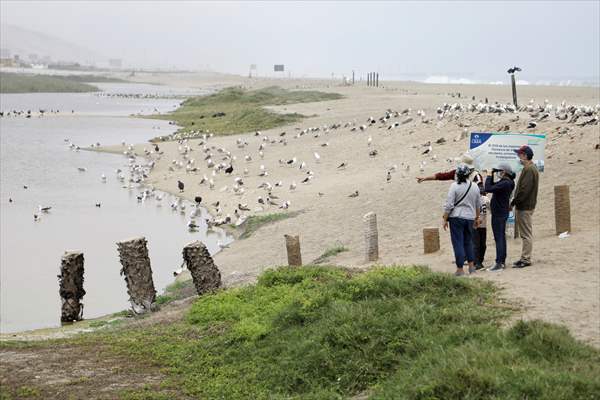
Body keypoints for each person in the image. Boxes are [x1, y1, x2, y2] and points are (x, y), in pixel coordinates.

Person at [443, 164, 482, 276]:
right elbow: (478, 205)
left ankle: (460, 269)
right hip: (470, 217)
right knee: (468, 242)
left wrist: (444, 219)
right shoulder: (474, 186)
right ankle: (471, 268)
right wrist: (477, 218)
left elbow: (449, 205)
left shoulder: (454, 186)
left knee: (458, 243)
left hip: (456, 217)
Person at [511, 145, 540, 268]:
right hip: (525, 205)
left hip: (525, 206)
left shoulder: (529, 169)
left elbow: (524, 190)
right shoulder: (529, 168)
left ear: (525, 155)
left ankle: (526, 259)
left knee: (526, 234)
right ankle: (524, 257)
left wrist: (514, 202)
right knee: (525, 234)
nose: (518, 157)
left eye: (520, 154)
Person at [484, 163, 516, 271]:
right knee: (501, 237)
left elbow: (488, 188)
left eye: (500, 172)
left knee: (499, 238)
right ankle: (502, 261)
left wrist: (488, 175)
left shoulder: (505, 183)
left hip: (499, 213)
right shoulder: (508, 182)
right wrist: (492, 173)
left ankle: (499, 263)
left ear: (504, 172)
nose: (499, 173)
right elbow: (493, 186)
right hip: (502, 212)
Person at [417, 153, 482, 184]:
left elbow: (481, 193)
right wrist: (425, 178)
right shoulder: (456, 172)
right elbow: (440, 176)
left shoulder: (476, 176)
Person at [473, 183, 490, 270]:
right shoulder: (475, 200)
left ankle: (479, 261)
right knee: (479, 245)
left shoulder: (484, 199)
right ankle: (477, 262)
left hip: (481, 225)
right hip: (477, 225)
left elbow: (490, 208)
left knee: (480, 245)